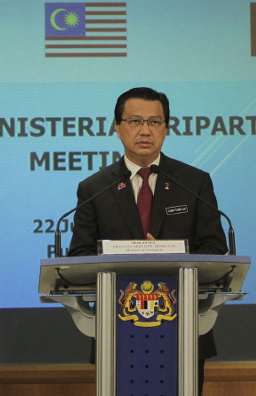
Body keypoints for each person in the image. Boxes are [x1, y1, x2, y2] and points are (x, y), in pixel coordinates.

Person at [68, 87, 228, 394]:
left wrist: (168, 255)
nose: (145, 130)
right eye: (135, 121)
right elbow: (80, 254)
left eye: (155, 122)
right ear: (117, 127)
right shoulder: (94, 188)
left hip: (183, 325)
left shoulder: (194, 182)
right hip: (116, 326)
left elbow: (215, 249)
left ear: (166, 128)